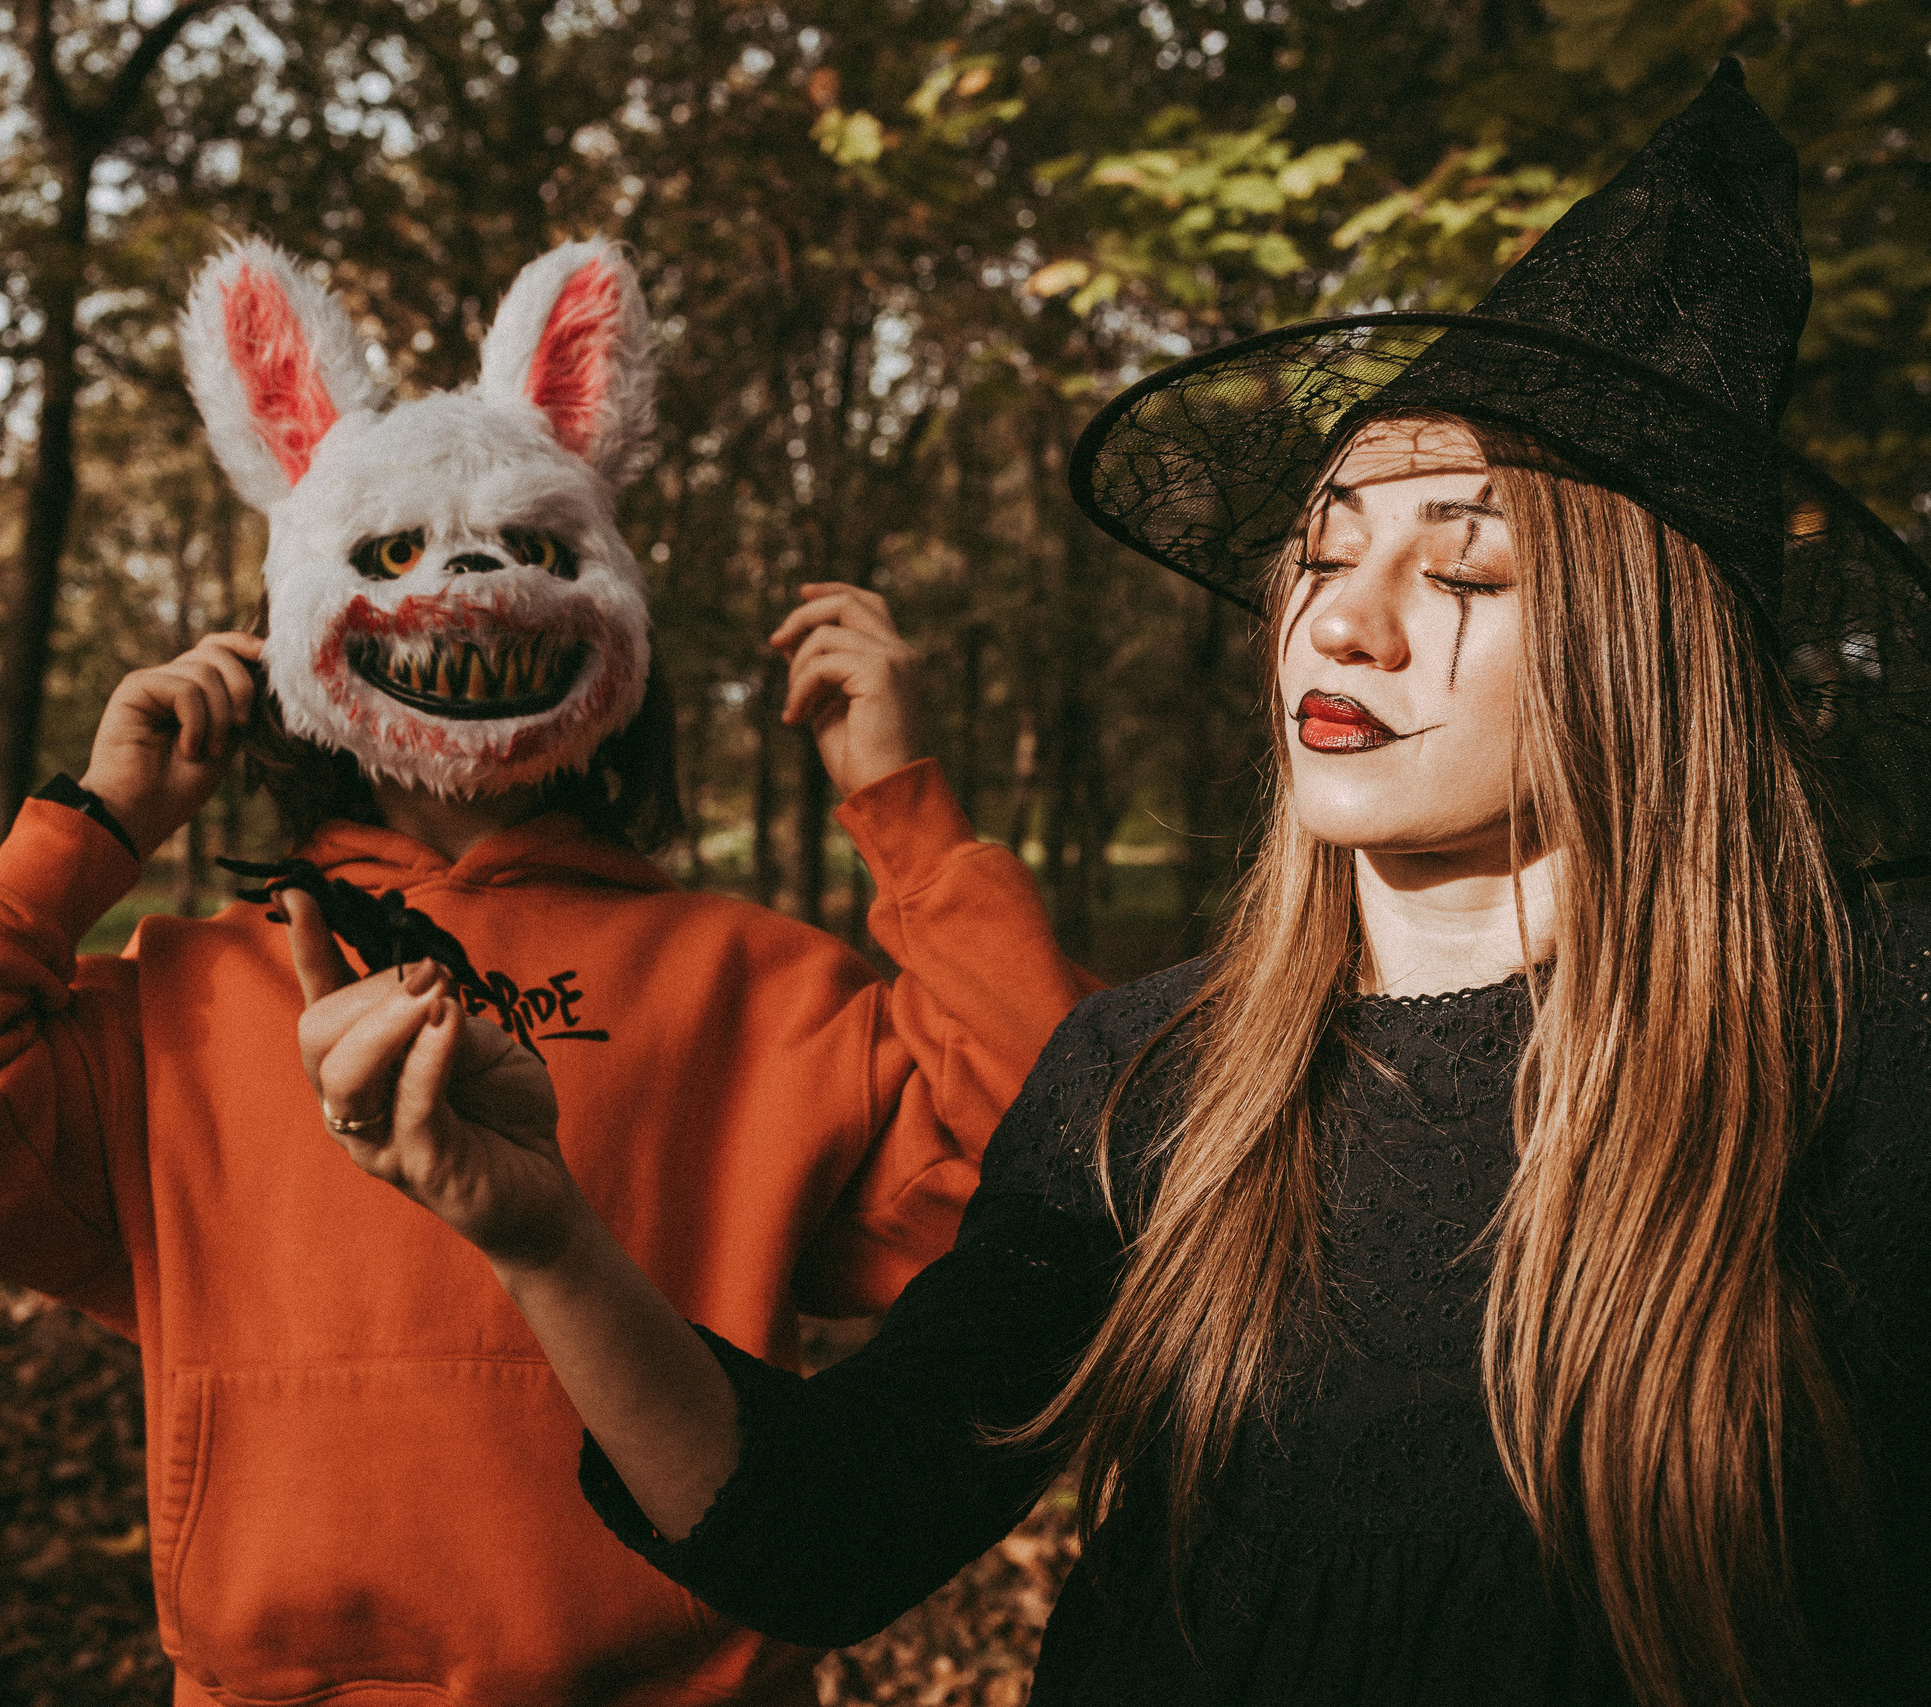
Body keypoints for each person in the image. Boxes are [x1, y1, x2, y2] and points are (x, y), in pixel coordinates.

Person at [290, 61, 1931, 1706]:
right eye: (1325, 544)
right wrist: (550, 1239)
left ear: (1651, 660)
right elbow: (829, 1533)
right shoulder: (1155, 1082)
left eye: (1468, 565)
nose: (1344, 620)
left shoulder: (1870, 1054)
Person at [0, 234, 1095, 1706]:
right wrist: (88, 836)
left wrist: (907, 814)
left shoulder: (763, 988)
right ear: (294, 622)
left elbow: (1054, 1181)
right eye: (394, 553)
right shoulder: (188, 995)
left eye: (531, 549)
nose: (466, 584)